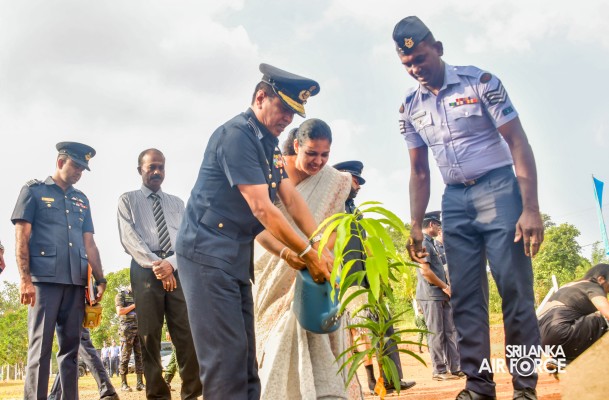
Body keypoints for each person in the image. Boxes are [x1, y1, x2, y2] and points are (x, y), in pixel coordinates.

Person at [394, 16, 544, 400]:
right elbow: (419, 170)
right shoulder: (409, 107)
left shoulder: (480, 82)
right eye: (407, 64)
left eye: (420, 59)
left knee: (514, 289)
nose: (415, 68)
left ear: (438, 49)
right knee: (464, 297)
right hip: (454, 201)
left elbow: (518, 142)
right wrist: (415, 224)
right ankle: (478, 386)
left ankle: (524, 388)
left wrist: (530, 207)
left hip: (500, 190)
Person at [176, 63, 334, 400]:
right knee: (225, 362)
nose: (288, 119)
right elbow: (263, 208)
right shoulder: (237, 136)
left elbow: (290, 197)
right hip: (206, 253)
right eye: (283, 108)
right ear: (261, 97)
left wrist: (318, 243)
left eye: (294, 113)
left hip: (234, 255)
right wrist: (309, 254)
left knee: (246, 358)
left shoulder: (268, 144)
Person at [254, 120, 361, 399]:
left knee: (319, 328)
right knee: (280, 333)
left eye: (325, 155)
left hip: (316, 270)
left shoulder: (335, 181)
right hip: (276, 266)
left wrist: (320, 255)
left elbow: (335, 227)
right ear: (296, 145)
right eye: (311, 153)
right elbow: (258, 226)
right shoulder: (272, 172)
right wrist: (290, 254)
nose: (318, 161)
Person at [12, 141, 107, 400]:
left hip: (75, 283)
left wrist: (100, 279)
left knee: (71, 351)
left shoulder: (81, 200)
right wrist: (25, 280)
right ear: (60, 162)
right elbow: (21, 237)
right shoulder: (33, 191)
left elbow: (89, 243)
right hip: (43, 283)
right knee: (40, 351)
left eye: (83, 169)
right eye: (76, 166)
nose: (79, 172)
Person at [117, 148, 202, 400]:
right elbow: (129, 239)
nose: (156, 171)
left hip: (177, 269)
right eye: (151, 167)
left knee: (186, 333)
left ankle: (192, 393)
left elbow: (188, 238)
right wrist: (159, 266)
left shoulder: (177, 203)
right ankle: (157, 395)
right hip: (145, 271)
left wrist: (171, 264)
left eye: (161, 167)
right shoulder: (128, 200)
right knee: (149, 335)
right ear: (140, 170)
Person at [334, 160, 416, 394]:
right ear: (341, 179)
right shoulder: (334, 209)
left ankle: (392, 379)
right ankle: (371, 381)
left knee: (385, 328)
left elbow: (368, 245)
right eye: (355, 180)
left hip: (370, 279)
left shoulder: (356, 211)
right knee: (360, 332)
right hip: (349, 280)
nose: (358, 186)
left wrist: (381, 273)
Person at [417, 211, 461, 381]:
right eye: (438, 225)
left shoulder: (432, 243)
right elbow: (426, 272)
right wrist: (445, 286)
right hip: (431, 295)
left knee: (449, 332)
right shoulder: (422, 243)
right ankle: (439, 370)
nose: (439, 228)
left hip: (442, 295)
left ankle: (455, 367)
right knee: (436, 333)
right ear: (431, 225)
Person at [538, 263, 609, 360]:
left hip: (542, 341)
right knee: (603, 317)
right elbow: (607, 312)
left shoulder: (569, 286)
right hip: (562, 334)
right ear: (601, 279)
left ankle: (563, 358)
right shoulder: (593, 286)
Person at [48, 328, 119, 400]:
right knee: (67, 352)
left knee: (80, 345)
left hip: (76, 323)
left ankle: (108, 392)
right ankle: (55, 395)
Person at [114, 285, 144, 392]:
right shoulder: (121, 295)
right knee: (125, 356)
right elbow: (120, 311)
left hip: (139, 329)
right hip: (126, 331)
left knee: (140, 356)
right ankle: (124, 384)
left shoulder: (139, 295)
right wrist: (135, 305)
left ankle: (140, 383)